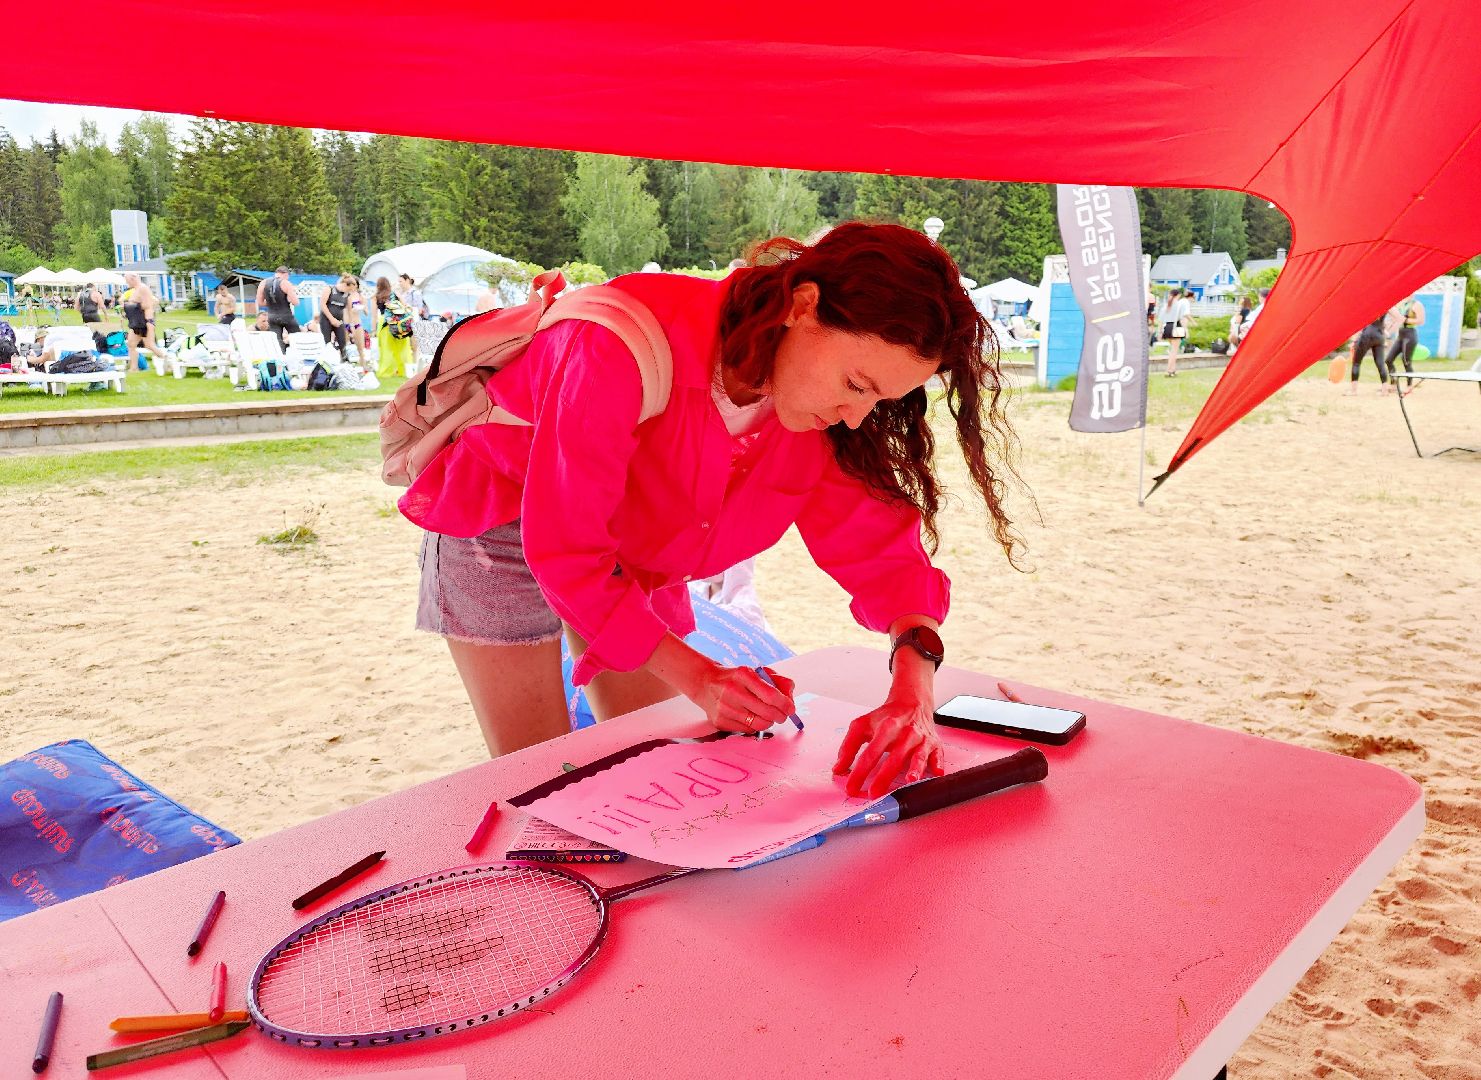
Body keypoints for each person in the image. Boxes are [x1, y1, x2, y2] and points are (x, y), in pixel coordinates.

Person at [399, 221, 1027, 797]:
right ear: (803, 306)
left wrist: (912, 694)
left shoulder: (821, 411)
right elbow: (565, 551)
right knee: (539, 777)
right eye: (856, 385)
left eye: (880, 399)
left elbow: (884, 556)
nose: (857, 414)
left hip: (627, 553)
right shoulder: (615, 343)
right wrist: (703, 678)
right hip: (498, 527)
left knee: (644, 760)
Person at [119, 272, 170, 372]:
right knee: (131, 344)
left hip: (145, 321)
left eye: (127, 281)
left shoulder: (143, 288)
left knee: (149, 345)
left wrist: (131, 306)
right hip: (136, 322)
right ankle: (134, 368)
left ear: (133, 279)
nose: (126, 283)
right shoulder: (135, 289)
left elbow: (148, 304)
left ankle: (167, 360)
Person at [1382, 295, 1426, 395]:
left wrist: (1405, 320)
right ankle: (1393, 384)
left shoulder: (1417, 305)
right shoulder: (1401, 304)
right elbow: (1396, 318)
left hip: (1410, 335)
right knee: (1388, 360)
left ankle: (1409, 386)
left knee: (1406, 361)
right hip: (1400, 335)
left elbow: (1421, 321)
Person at [372, 276, 414, 378]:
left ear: (378, 286)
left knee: (387, 348)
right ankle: (404, 371)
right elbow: (406, 307)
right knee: (402, 348)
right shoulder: (395, 294)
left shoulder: (376, 297)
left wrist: (373, 329)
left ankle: (386, 372)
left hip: (384, 322)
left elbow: (374, 316)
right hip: (398, 322)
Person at [256, 266, 300, 348]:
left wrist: (272, 302)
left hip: (272, 316)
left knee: (277, 341)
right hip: (286, 315)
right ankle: (299, 357)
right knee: (296, 338)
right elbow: (295, 302)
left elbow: (260, 302)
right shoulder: (285, 283)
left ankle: (281, 358)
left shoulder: (263, 283)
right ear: (286, 274)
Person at [1345, 312, 1389, 396]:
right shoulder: (1385, 304)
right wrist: (1387, 330)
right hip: (1379, 335)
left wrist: (1354, 340)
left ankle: (1353, 391)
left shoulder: (1369, 303)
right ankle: (1384, 391)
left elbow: (1360, 323)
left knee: (1356, 363)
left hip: (1367, 334)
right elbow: (1399, 318)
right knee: (1380, 364)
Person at [318, 274, 357, 360]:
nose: (350, 291)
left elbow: (349, 312)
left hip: (339, 321)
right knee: (327, 344)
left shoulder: (347, 295)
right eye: (350, 289)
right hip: (326, 320)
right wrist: (332, 319)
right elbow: (322, 305)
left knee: (342, 343)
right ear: (346, 285)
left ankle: (345, 363)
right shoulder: (330, 289)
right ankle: (327, 363)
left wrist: (352, 327)